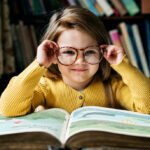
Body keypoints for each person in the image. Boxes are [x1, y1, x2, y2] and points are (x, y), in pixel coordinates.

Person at [0, 6, 150, 117]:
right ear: (53, 53)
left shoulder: (114, 86)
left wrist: (123, 65)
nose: (80, 61)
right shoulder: (45, 87)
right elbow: (8, 108)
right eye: (68, 52)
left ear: (103, 52)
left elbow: (147, 108)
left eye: (90, 51)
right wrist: (39, 64)